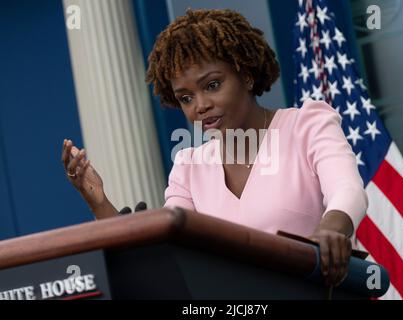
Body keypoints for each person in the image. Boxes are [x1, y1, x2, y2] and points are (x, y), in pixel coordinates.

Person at [61, 8, 368, 287]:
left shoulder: (306, 125)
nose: (201, 106)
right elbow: (168, 254)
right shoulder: (189, 166)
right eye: (186, 98)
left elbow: (347, 191)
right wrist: (99, 202)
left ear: (246, 75)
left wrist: (331, 230)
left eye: (212, 85)